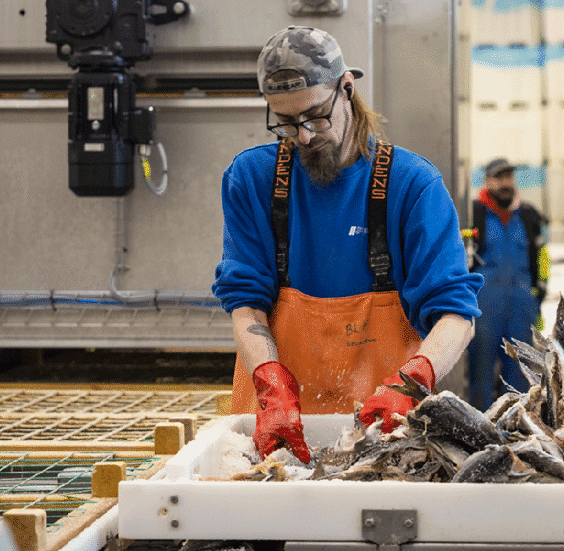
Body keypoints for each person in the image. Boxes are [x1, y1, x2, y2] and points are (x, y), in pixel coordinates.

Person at [211, 26, 482, 462]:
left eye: (316, 115)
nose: (303, 136)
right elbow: (245, 300)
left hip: (383, 433)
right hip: (277, 431)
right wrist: (270, 380)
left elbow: (456, 315)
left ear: (347, 88)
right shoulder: (250, 180)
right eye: (284, 122)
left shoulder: (413, 185)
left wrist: (409, 383)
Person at [465, 158, 547, 410]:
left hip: (521, 310)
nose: (505, 183)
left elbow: (542, 259)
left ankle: (517, 427)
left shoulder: (529, 216)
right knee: (480, 376)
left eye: (509, 177)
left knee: (520, 378)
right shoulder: (474, 215)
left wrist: (539, 295)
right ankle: (480, 427)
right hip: (484, 310)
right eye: (499, 178)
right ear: (487, 182)